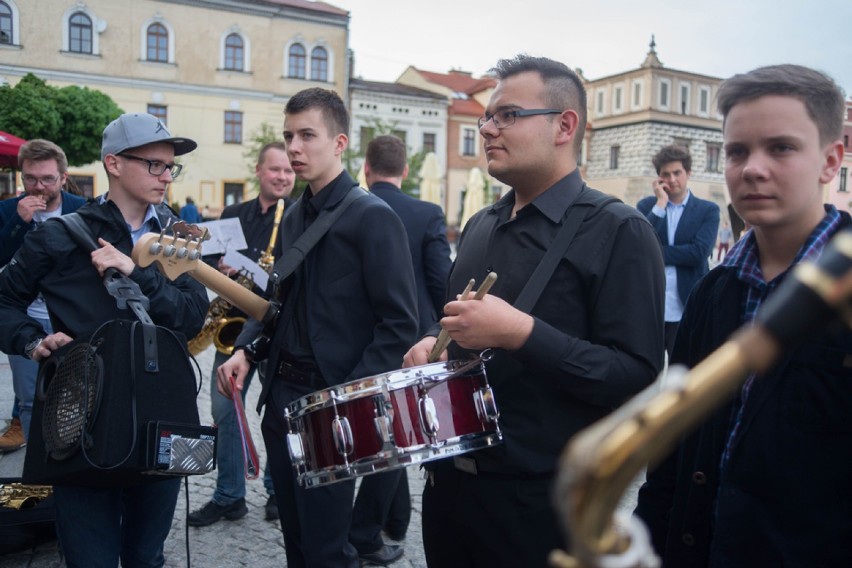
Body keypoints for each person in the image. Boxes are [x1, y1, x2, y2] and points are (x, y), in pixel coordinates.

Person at [402, 54, 665, 567]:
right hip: (449, 489)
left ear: (564, 125)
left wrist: (521, 333)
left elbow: (635, 375)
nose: (487, 129)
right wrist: (432, 343)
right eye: (486, 117)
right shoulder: (480, 223)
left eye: (507, 115)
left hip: (541, 507)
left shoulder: (620, 230)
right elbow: (458, 326)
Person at [634, 64, 849, 567]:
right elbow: (672, 453)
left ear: (830, 160)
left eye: (781, 148)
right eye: (736, 151)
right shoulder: (714, 290)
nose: (752, 168)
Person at [217, 88, 418, 567]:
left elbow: (398, 324)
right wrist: (246, 350)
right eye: (289, 136)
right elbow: (279, 304)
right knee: (296, 541)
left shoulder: (374, 217)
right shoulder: (295, 215)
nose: (294, 148)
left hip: (333, 406)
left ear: (340, 143)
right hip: (281, 396)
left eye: (307, 135)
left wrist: (344, 401)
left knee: (328, 549)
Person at [0, 113, 208, 566]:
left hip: (164, 415)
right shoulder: (60, 236)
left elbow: (193, 317)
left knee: (146, 558)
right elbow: (4, 301)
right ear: (114, 164)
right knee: (90, 559)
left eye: (171, 167)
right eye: (155, 165)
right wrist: (31, 341)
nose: (167, 176)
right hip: (82, 420)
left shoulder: (177, 236)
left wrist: (138, 273)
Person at [349, 135, 452, 554]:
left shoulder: (350, 206)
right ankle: (366, 534)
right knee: (394, 438)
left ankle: (392, 521)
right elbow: (441, 282)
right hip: (412, 339)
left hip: (357, 338)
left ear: (366, 169)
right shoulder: (427, 213)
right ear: (406, 171)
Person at [188, 142, 295, 526]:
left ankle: (276, 491)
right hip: (233, 326)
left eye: (288, 171)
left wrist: (249, 269)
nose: (283, 177)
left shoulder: (298, 215)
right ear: (259, 171)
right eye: (275, 170)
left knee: (279, 415)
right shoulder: (233, 213)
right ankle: (229, 495)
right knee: (223, 411)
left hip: (277, 328)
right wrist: (221, 269)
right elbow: (212, 262)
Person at [0, 139, 88, 451]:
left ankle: (71, 464)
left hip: (71, 320)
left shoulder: (82, 211)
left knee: (80, 396)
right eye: (30, 178)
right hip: (23, 319)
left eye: (48, 179)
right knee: (28, 400)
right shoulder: (8, 211)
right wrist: (17, 224)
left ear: (63, 178)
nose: (38, 187)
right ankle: (36, 478)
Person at [637, 145, 720, 356]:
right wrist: (660, 204)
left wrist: (656, 252)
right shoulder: (647, 206)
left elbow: (699, 253)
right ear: (659, 178)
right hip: (650, 308)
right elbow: (638, 246)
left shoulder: (707, 210)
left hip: (687, 308)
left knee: (681, 374)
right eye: (666, 174)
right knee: (647, 377)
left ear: (688, 173)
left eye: (677, 173)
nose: (672, 179)